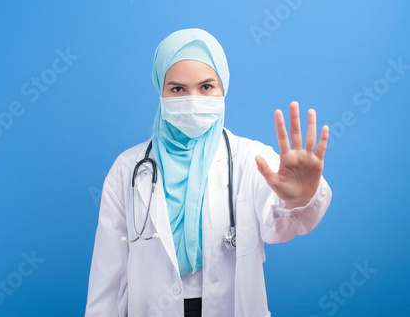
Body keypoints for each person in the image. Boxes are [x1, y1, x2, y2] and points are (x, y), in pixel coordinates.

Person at [85, 28, 332, 317]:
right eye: (177, 89)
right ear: (160, 91)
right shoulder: (127, 169)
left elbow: (281, 224)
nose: (192, 100)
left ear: (222, 88)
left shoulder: (250, 158)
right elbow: (107, 281)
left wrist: (298, 199)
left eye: (206, 87)